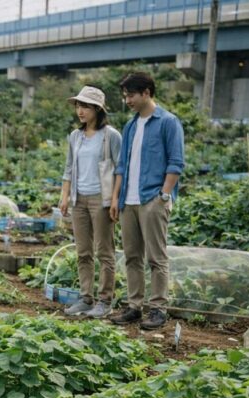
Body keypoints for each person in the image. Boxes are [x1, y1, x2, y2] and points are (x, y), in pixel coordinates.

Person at [109, 72, 185, 330]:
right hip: (128, 202)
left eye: (131, 95)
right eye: (125, 96)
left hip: (152, 198)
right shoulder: (130, 126)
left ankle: (158, 309)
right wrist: (116, 197)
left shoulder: (168, 122)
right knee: (132, 257)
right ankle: (134, 306)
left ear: (146, 93)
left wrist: (163, 195)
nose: (127, 100)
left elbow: (176, 162)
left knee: (156, 257)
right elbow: (121, 165)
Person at [58, 86, 122, 318]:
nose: (80, 110)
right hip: (79, 199)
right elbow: (69, 168)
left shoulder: (111, 136)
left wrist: (115, 199)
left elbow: (120, 169)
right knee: (83, 251)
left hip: (100, 199)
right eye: (78, 105)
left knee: (104, 251)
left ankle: (105, 301)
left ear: (97, 109)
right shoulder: (76, 136)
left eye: (85, 106)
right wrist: (65, 195)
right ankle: (86, 298)